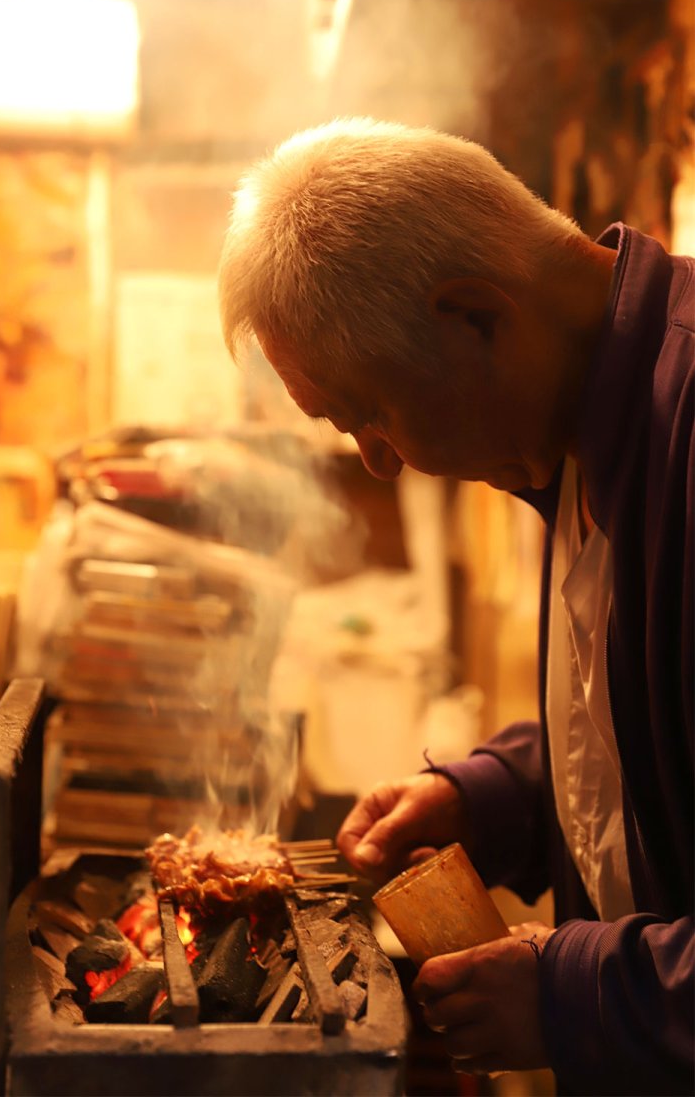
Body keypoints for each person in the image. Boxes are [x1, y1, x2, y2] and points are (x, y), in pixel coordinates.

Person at [217, 118, 693, 1094]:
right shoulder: (571, 431)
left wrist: (581, 997)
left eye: (368, 413)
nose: (379, 459)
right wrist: (499, 794)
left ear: (476, 318)